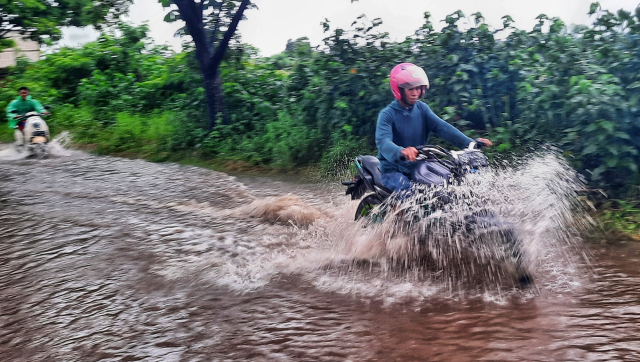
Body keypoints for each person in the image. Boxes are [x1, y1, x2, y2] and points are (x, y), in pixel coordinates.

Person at [375, 63, 492, 193]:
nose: (415, 93)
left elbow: (443, 127)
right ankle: (397, 213)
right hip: (393, 170)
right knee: (409, 194)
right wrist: (401, 151)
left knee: (447, 184)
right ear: (399, 90)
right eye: (410, 89)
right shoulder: (387, 114)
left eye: (418, 88)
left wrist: (470, 143)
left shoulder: (422, 109)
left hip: (418, 165)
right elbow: (383, 142)